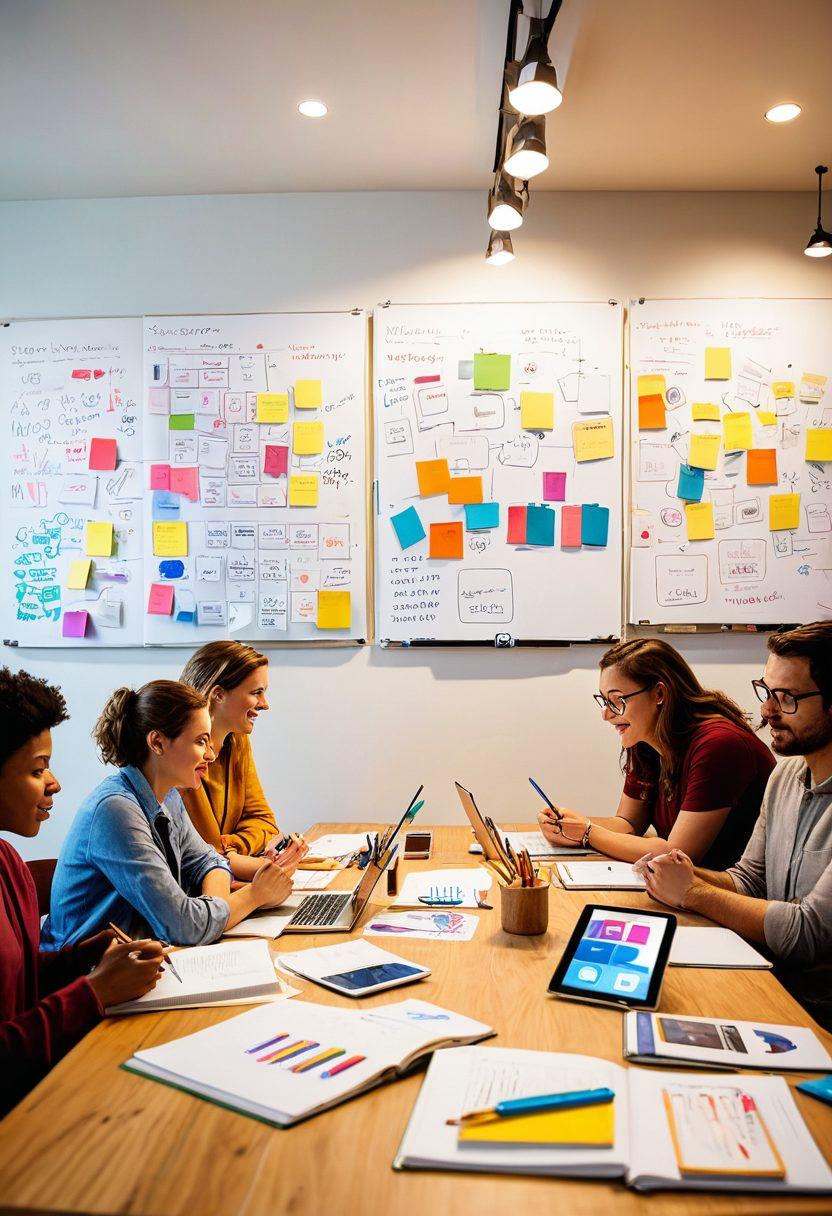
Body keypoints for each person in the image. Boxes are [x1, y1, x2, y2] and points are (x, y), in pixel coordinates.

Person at [640, 621, 832, 1030]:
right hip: (773, 983)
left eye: (788, 698)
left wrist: (692, 891)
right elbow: (749, 880)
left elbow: (807, 934)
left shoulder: (722, 745)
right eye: (767, 692)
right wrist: (680, 875)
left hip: (817, 1011)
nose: (766, 711)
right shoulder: (786, 776)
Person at [0, 667, 165, 1117]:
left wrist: (86, 957)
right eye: (38, 769)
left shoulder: (8, 860)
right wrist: (93, 991)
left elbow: (17, 980)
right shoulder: (117, 805)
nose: (54, 783)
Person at [42, 680, 300, 950]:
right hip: (87, 977)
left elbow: (210, 862)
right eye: (201, 741)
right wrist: (255, 895)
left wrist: (213, 912)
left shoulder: (169, 796)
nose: (211, 755)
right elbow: (186, 927)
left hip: (141, 960)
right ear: (157, 743)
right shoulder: (116, 811)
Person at [538, 638, 775, 868]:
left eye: (617, 700)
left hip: (729, 894)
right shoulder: (646, 740)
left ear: (659, 694)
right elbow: (629, 823)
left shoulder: (719, 745)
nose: (606, 714)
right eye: (604, 701)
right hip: (686, 889)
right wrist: (571, 825)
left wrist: (587, 833)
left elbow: (678, 855)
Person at [179, 641, 288, 858]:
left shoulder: (237, 740)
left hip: (228, 873)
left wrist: (231, 847)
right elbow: (208, 850)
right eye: (257, 692)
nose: (265, 704)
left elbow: (264, 822)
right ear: (218, 695)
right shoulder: (181, 755)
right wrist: (233, 851)